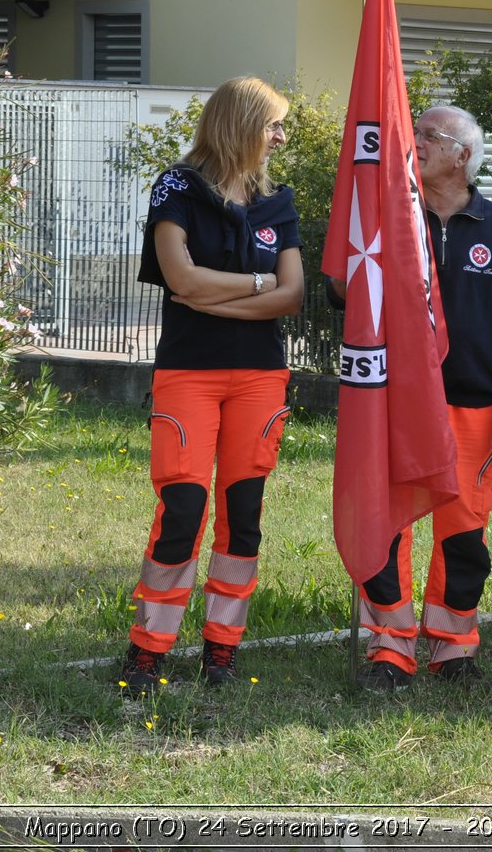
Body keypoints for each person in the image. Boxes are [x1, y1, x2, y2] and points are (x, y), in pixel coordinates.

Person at [340, 105, 492, 691]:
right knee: (386, 528)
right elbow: (342, 291)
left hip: (471, 408)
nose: (417, 143)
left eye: (430, 135)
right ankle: (390, 647)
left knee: (464, 532)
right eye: (414, 134)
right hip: (393, 406)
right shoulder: (388, 222)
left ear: (463, 155)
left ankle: (453, 648)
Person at [118, 76, 305, 696]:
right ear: (241, 125)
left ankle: (222, 650)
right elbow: (178, 275)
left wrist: (218, 292)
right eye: (273, 124)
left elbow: (292, 295)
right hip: (189, 376)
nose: (280, 136)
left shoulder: (280, 201)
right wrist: (256, 284)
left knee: (243, 513)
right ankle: (148, 651)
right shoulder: (177, 186)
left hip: (259, 377)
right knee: (184, 509)